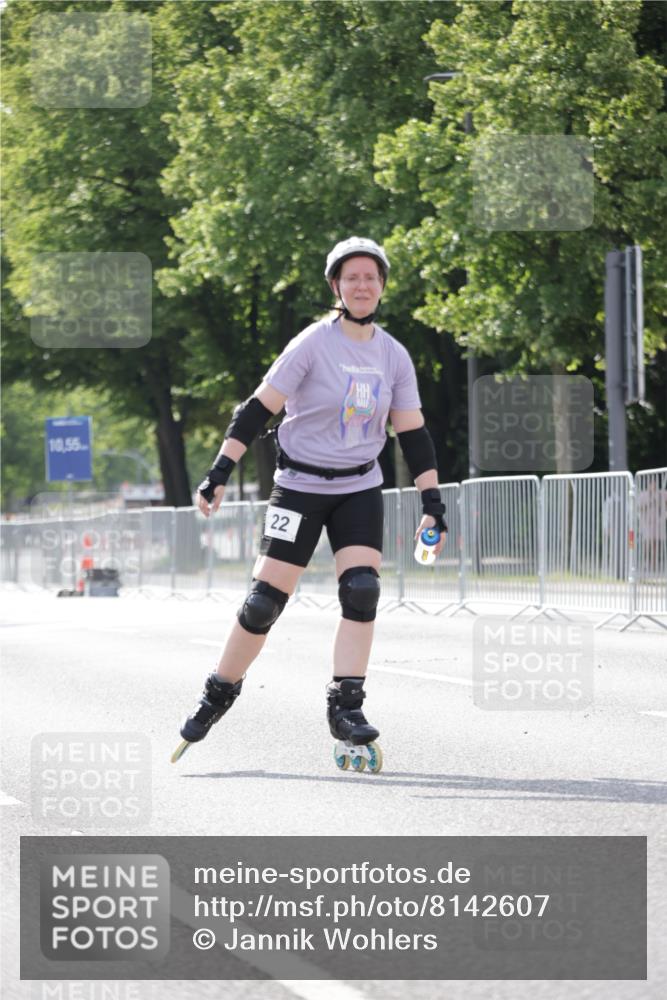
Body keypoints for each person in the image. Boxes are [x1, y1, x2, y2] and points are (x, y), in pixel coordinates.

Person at [172, 236, 447, 771]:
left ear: (382, 286)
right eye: (352, 277)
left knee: (362, 590)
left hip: (359, 486)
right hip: (298, 485)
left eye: (371, 277)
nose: (362, 285)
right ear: (337, 287)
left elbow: (413, 435)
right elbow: (256, 411)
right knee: (263, 602)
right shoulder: (311, 344)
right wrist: (218, 472)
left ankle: (346, 706)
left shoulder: (394, 355)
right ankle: (219, 691)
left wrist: (432, 503)